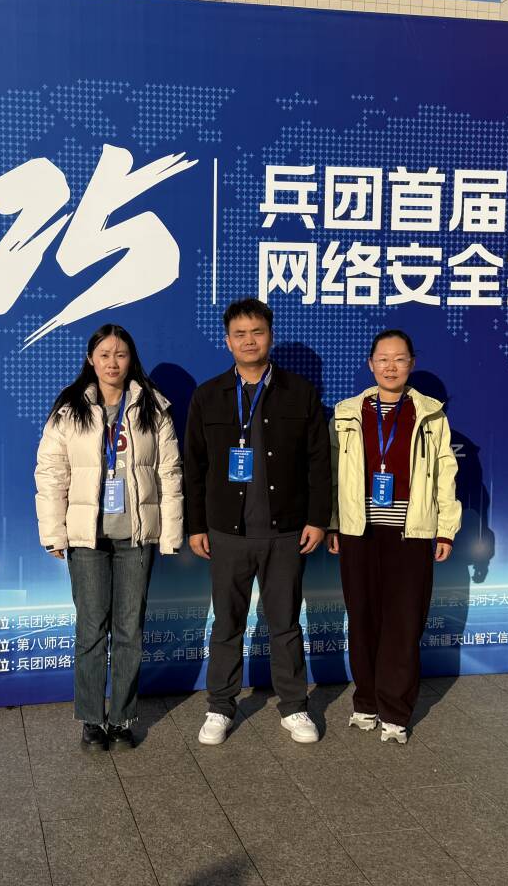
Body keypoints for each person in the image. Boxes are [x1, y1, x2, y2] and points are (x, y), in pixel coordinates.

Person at [184, 297, 331, 745]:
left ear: (270, 335)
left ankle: (294, 707)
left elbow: (318, 463)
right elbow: (194, 466)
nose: (249, 341)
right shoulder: (208, 395)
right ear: (227, 341)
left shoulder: (300, 392)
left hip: (286, 532)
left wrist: (318, 519)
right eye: (240, 334)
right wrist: (196, 525)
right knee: (226, 623)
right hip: (227, 532)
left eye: (258, 332)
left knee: (285, 623)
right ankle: (219, 707)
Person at [35, 324, 183, 750]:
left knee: (129, 630)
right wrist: (54, 532)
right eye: (104, 354)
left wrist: (170, 532)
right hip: (87, 539)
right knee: (91, 630)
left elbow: (170, 473)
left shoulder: (153, 407)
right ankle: (90, 718)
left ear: (131, 359)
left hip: (135, 537)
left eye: (120, 354)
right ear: (91, 360)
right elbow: (51, 472)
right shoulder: (69, 410)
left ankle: (121, 718)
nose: (112, 363)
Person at [326, 329, 461, 744]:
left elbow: (445, 474)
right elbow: (332, 474)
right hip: (358, 531)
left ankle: (396, 712)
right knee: (362, 618)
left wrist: (445, 529)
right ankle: (366, 702)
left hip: (410, 533)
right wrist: (332, 522)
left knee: (403, 623)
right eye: (383, 359)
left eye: (399, 359)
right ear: (370, 364)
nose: (391, 366)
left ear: (411, 364)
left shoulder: (431, 415)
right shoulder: (347, 413)